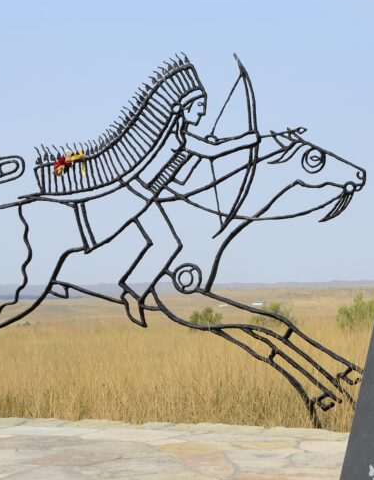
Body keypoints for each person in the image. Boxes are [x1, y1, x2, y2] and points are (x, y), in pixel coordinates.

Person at [75, 58, 258, 325]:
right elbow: (213, 152)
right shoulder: (175, 136)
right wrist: (250, 139)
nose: (203, 113)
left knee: (167, 244)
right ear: (183, 108)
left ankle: (132, 293)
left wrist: (196, 154)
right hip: (134, 197)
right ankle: (126, 292)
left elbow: (181, 180)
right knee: (101, 241)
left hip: (145, 197)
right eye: (199, 107)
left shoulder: (181, 139)